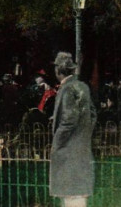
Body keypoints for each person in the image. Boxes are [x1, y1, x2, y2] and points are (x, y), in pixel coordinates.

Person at [49, 52, 96, 207]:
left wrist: (57, 142)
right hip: (81, 146)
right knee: (79, 191)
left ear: (58, 70)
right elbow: (92, 114)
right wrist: (84, 133)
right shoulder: (82, 86)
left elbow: (69, 120)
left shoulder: (67, 89)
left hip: (67, 148)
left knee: (69, 191)